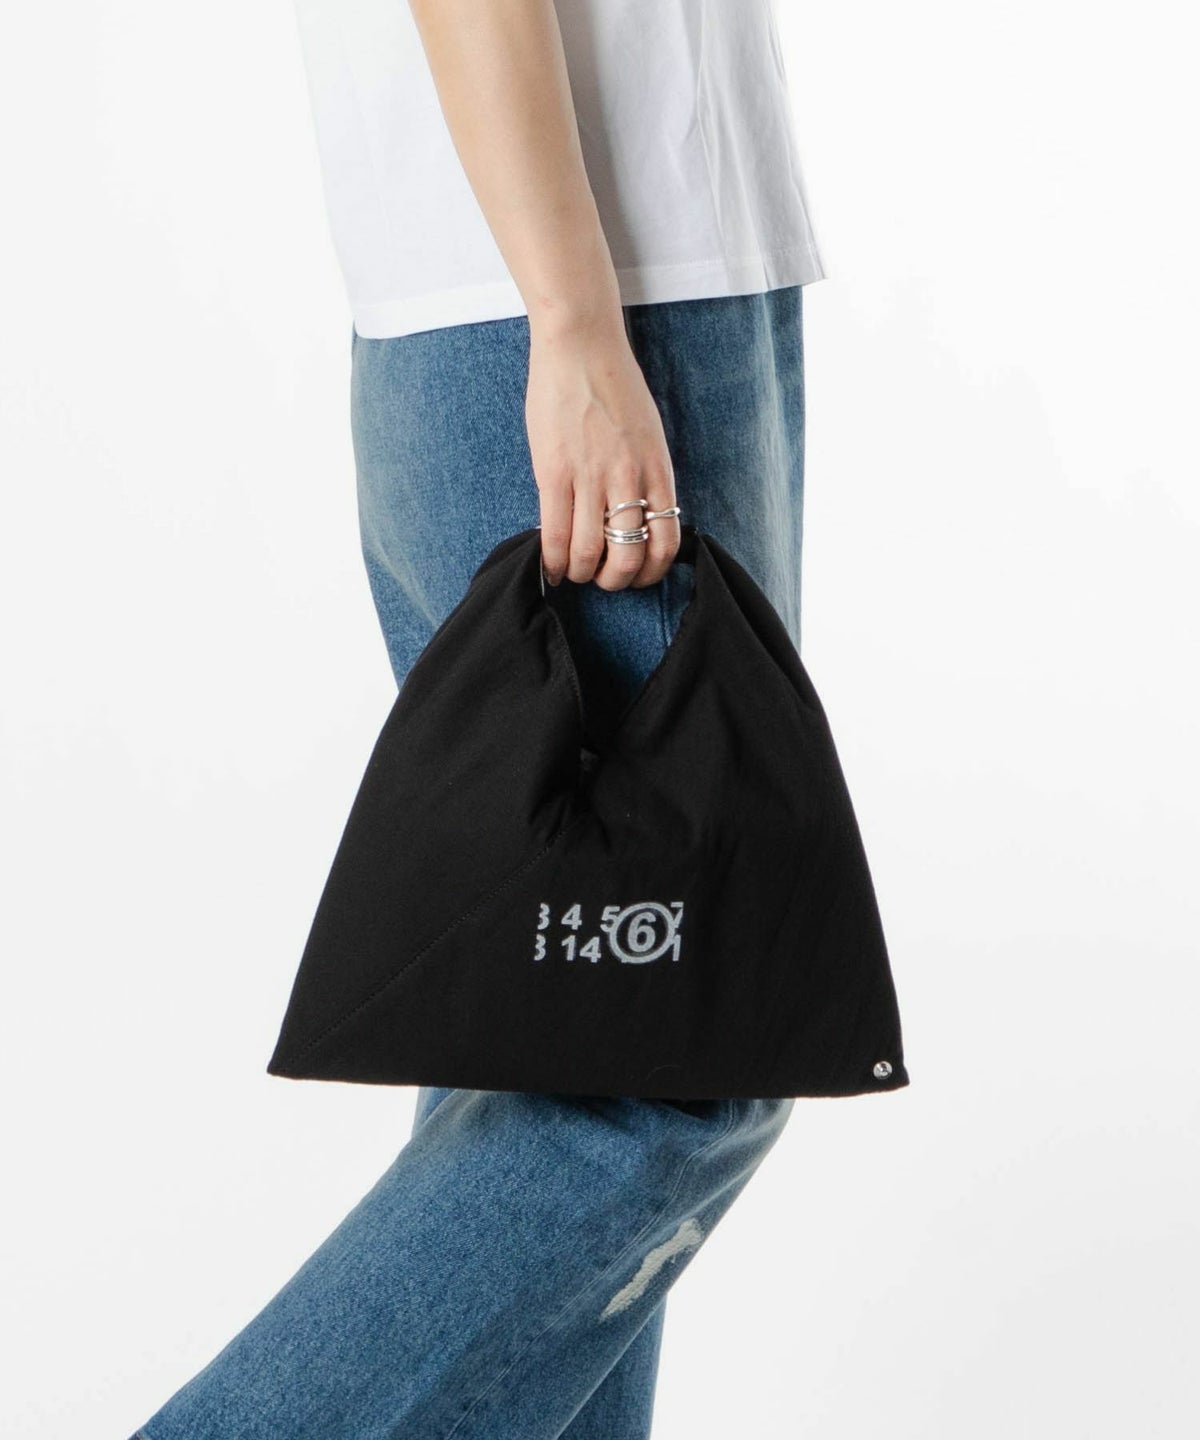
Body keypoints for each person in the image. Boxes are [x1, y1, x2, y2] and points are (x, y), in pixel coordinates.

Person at [131, 1, 824, 1435]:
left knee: (548, 1041)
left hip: (620, 279)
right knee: (668, 1055)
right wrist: (572, 321)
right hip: (577, 294)